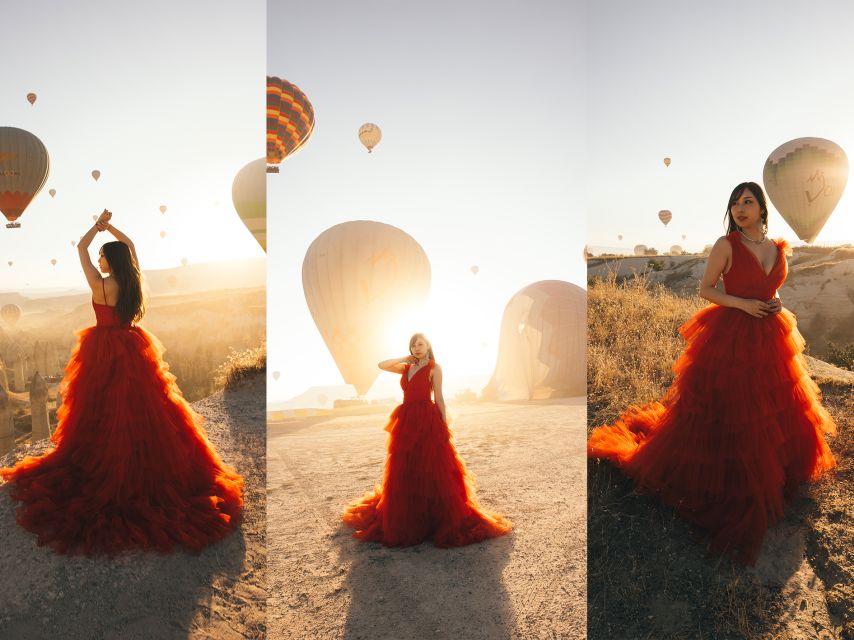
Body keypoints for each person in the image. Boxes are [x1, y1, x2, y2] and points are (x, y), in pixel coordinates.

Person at [587, 182, 836, 565]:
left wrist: (773, 302)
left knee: (774, 403)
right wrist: (744, 304)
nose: (740, 208)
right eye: (735, 203)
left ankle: (777, 469)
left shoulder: (777, 247)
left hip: (770, 331)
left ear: (762, 207)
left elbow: (774, 286)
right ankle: (735, 476)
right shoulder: (726, 245)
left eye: (748, 201)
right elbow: (706, 290)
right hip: (733, 331)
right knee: (734, 406)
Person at [1, 210, 243, 555]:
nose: (98, 258)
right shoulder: (131, 280)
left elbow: (80, 249)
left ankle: (106, 463)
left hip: (102, 348)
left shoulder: (100, 284)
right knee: (143, 408)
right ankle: (148, 462)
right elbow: (129, 245)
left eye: (102, 254)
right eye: (100, 254)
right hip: (131, 344)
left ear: (108, 259)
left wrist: (93, 229)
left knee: (101, 407)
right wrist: (110, 228)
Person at [343, 333, 511, 547]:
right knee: (406, 465)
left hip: (426, 418)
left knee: (432, 466)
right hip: (406, 419)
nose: (416, 348)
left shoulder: (434, 368)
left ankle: (434, 519)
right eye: (413, 345)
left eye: (420, 344)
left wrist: (443, 423)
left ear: (428, 346)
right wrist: (405, 357)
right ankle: (410, 515)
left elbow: (439, 397)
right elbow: (381, 365)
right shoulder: (405, 367)